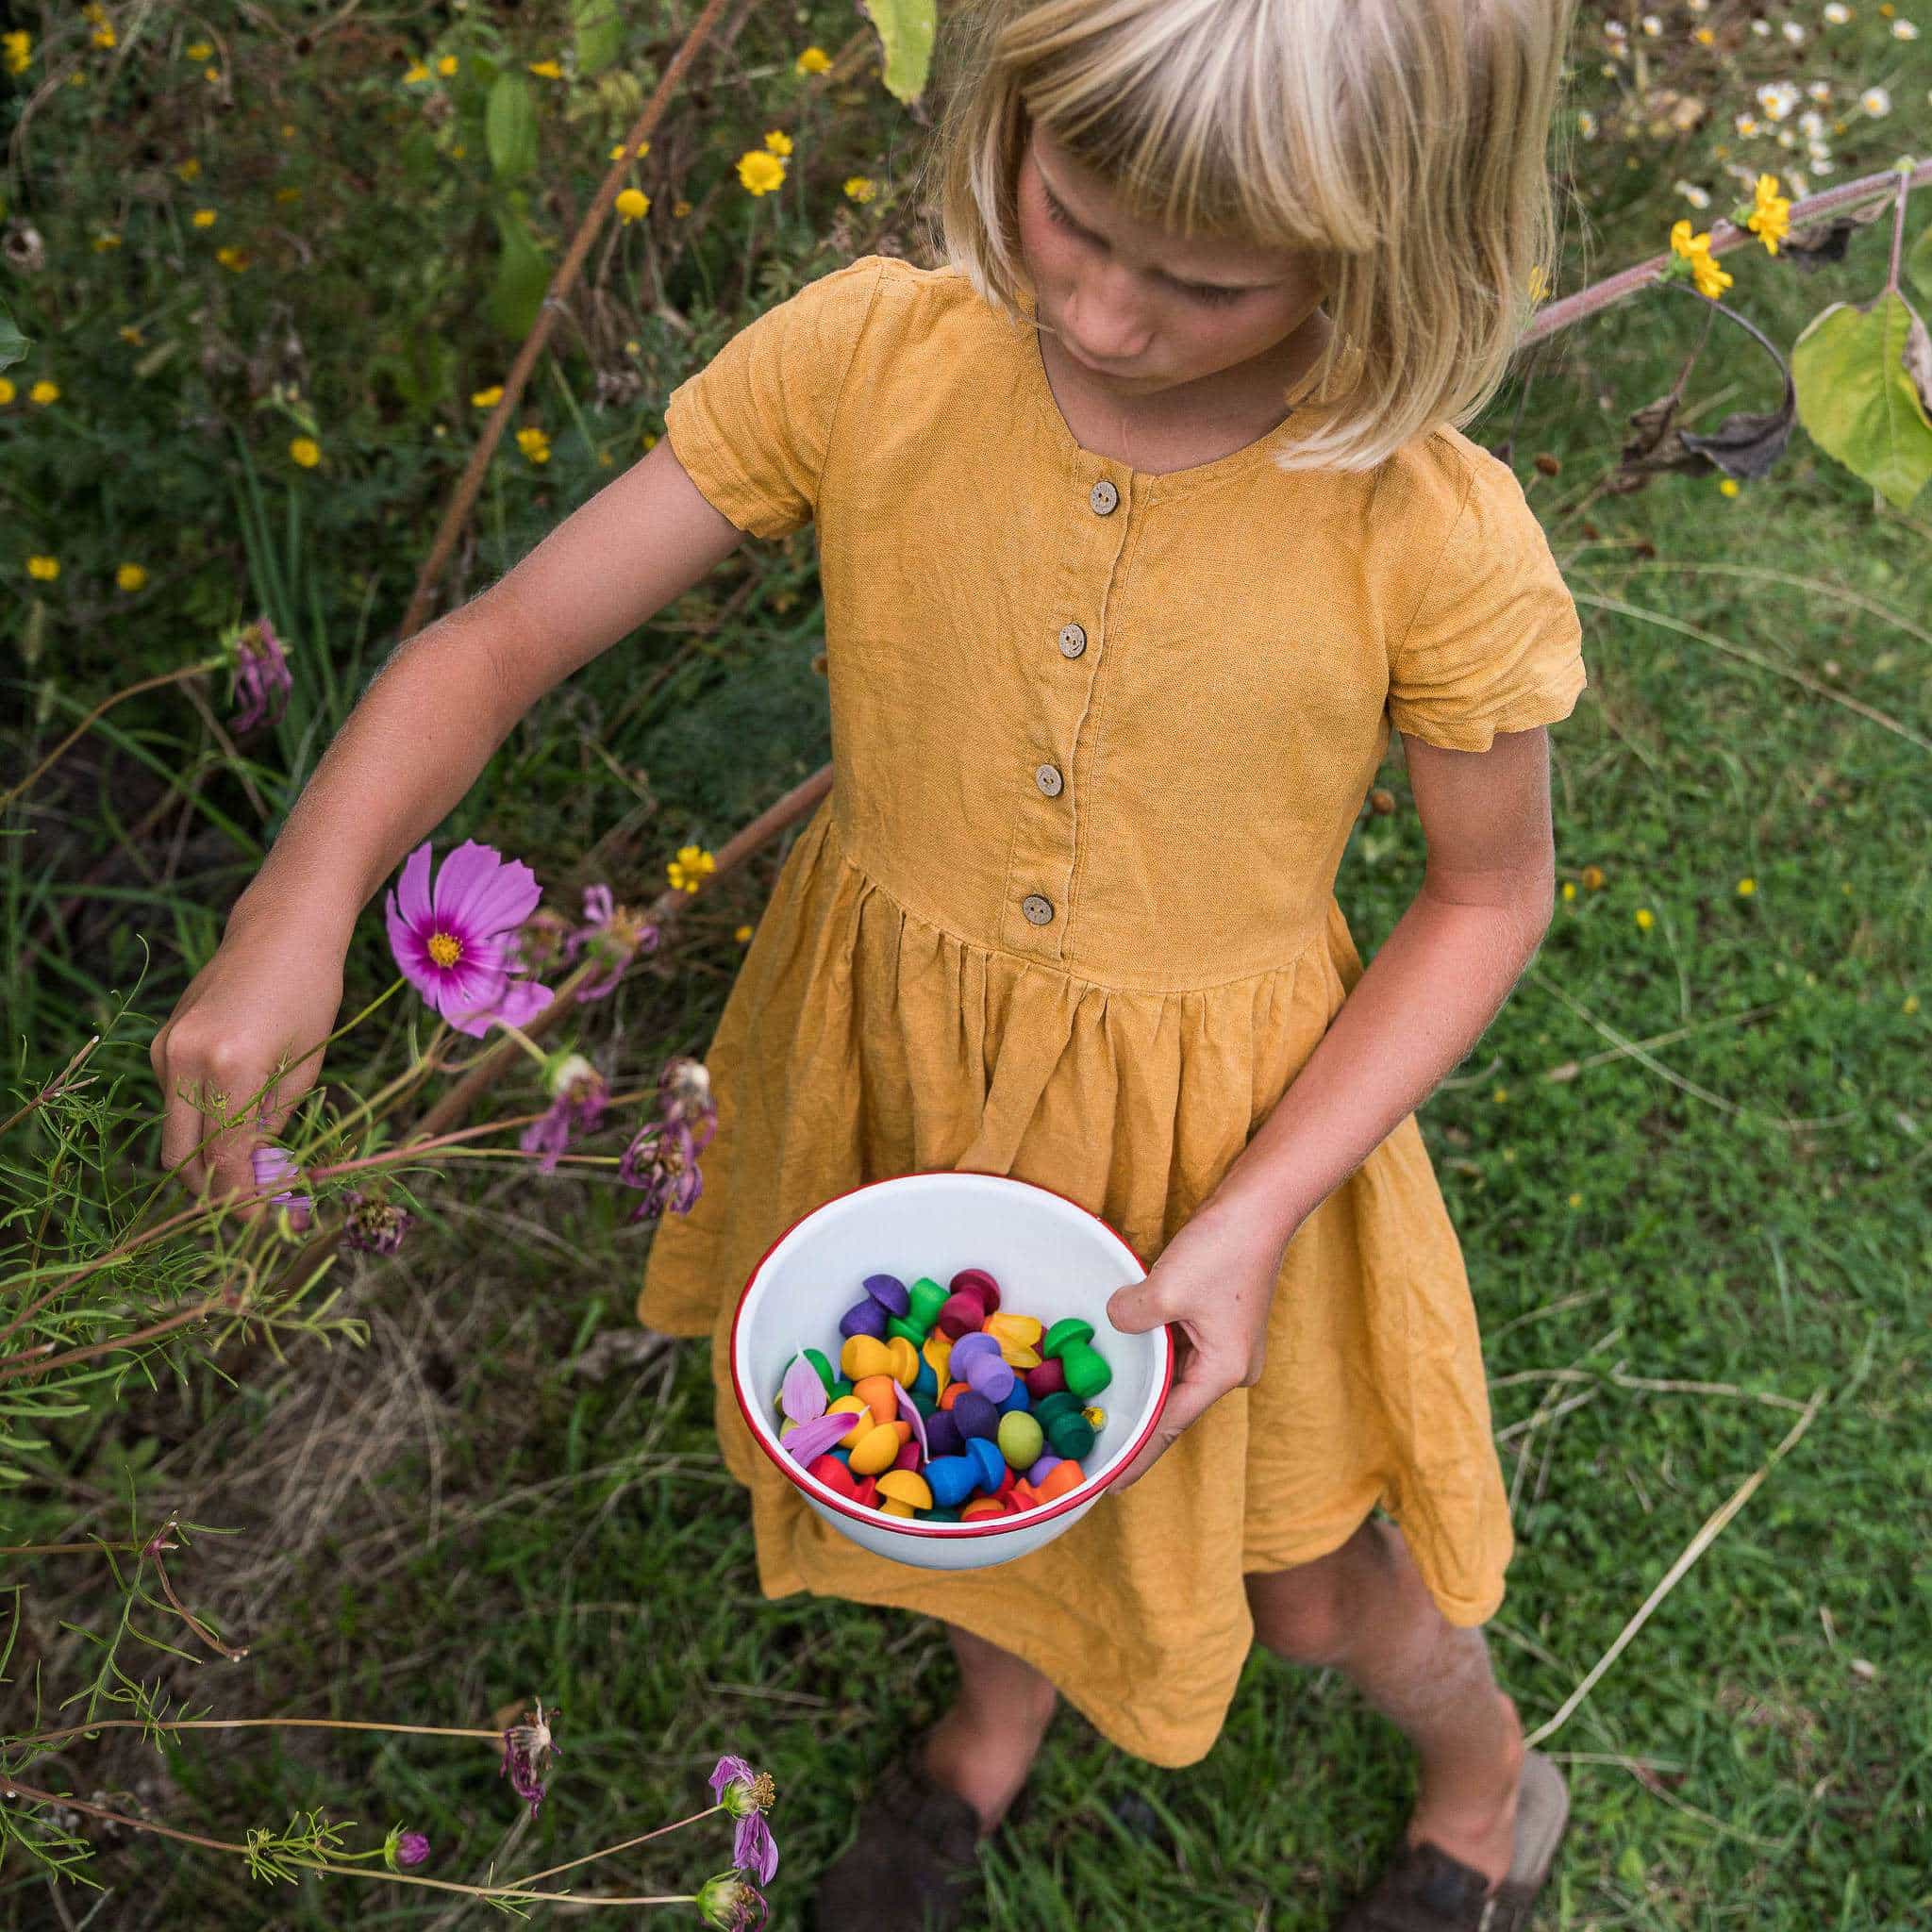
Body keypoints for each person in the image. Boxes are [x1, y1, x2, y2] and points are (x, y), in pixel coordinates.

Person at [150, 0, 1584, 1924]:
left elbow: (1483, 895)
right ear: (1010, 119)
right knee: (943, 1472)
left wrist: (1250, 1217)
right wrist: (291, 910)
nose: (1101, 316)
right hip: (894, 1076)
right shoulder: (870, 360)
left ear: (1385, 253)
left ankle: (1479, 1766)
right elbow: (495, 644)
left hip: (1235, 1145)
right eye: (1070, 218)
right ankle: (993, 1726)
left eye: (1208, 282)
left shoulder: (1426, 528)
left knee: (1302, 1569)